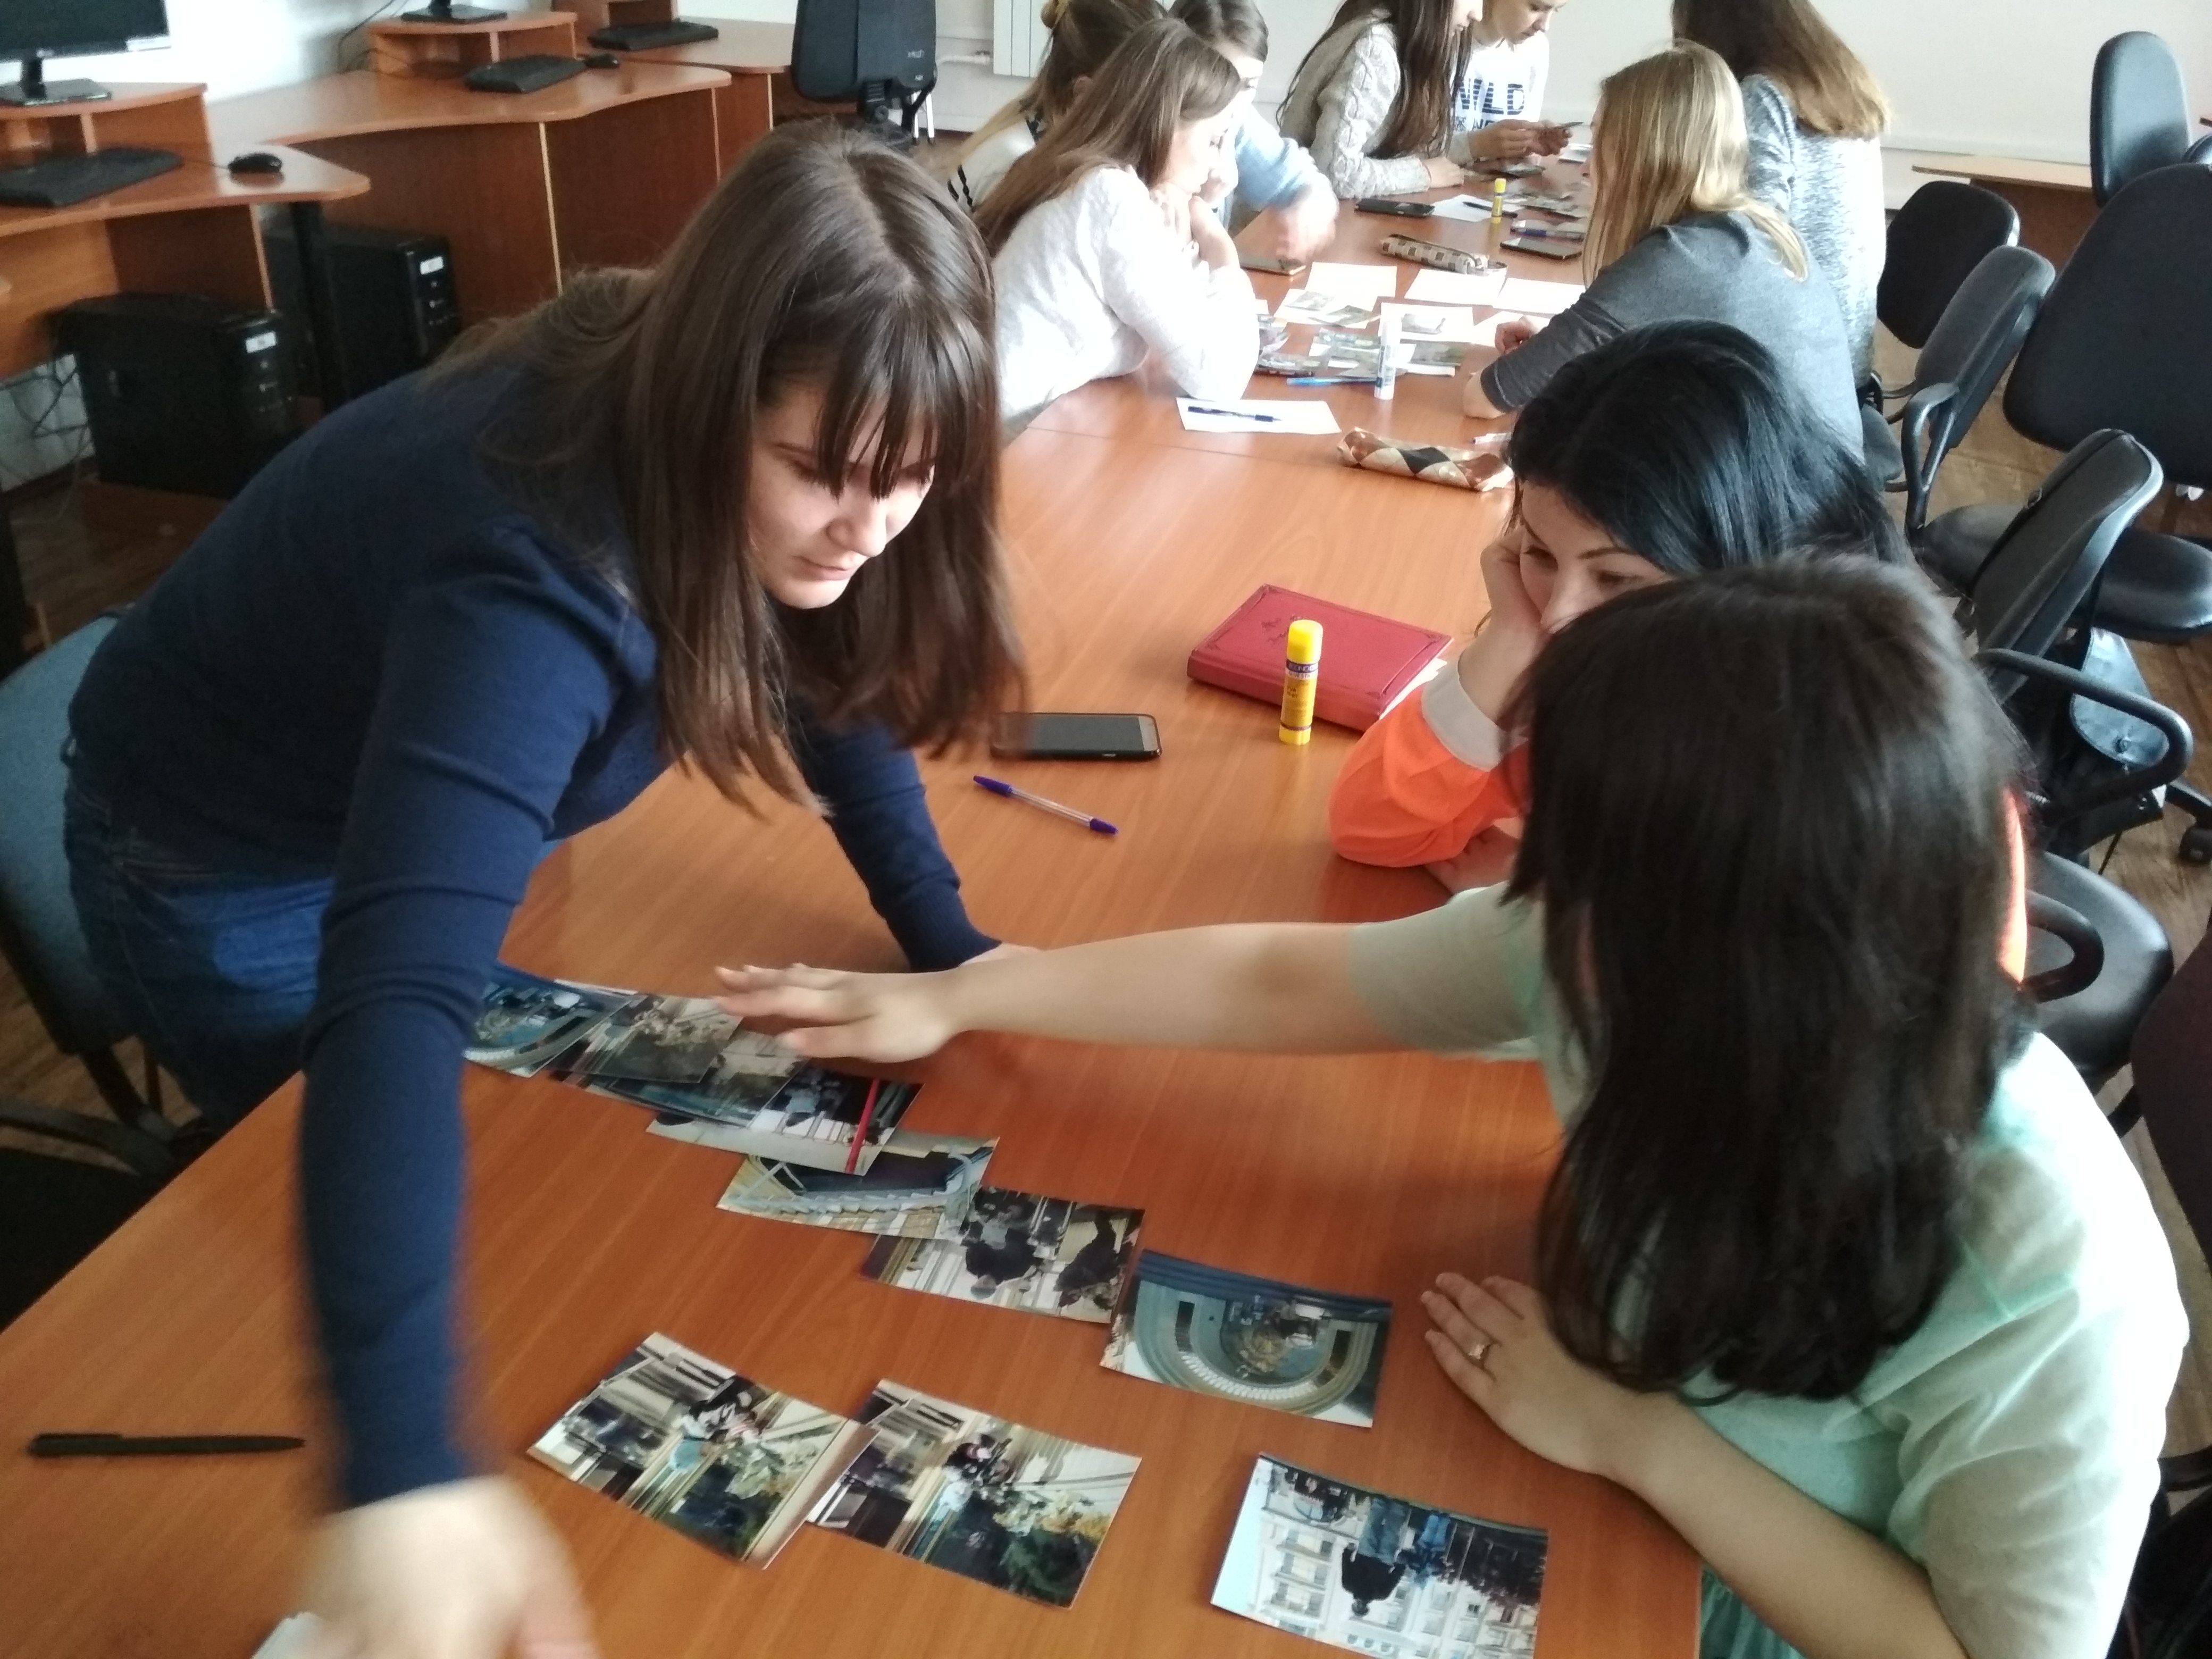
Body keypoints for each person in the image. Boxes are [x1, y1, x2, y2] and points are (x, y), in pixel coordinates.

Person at [718, 559, 2186, 1659]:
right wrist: (976, 989)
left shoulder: (2056, 1275)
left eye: (1588, 867)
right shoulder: (1613, 951)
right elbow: (1284, 985)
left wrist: (1639, 1441)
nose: (1540, 896)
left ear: (1748, 957)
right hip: (1557, 1466)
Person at [64, 124, 1022, 1657]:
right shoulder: (536, 571)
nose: (873, 525)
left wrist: (951, 946)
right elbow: (389, 1002)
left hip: (368, 780)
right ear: (714, 404)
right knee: (359, 1245)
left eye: (912, 479)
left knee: (545, 1226)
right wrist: (401, 1469)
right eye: (821, 475)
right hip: (219, 853)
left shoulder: (726, 417)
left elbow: (827, 654)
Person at [1333, 321, 1903, 891]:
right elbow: (1368, 828)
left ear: (1731, 567)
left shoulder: (1820, 738)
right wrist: (1507, 642)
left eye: (1616, 577)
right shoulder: (1604, 660)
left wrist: (1551, 903)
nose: (1557, 615)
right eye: (1540, 552)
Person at [1463, 43, 1862, 455]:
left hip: (1782, 491)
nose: (1586, 167)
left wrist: (1550, 360)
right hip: (1826, 479)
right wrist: (1568, 354)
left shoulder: (1675, 259)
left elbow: (1485, 398)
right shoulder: (1761, 230)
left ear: (1640, 154)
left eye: (1600, 141)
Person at [979, 18, 1259, 429]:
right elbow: (1219, 376)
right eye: (1214, 140)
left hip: (1023, 429)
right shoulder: (1112, 200)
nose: (1218, 164)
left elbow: (1181, 326)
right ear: (1165, 127)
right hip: (1005, 445)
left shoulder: (1095, 181)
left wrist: (1179, 245)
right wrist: (1223, 254)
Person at [1672, 0, 1889, 379]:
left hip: (1792, 372)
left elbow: (1754, 242)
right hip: (1843, 354)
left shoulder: (1763, 94)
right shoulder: (1840, 87)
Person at [1278, 0, 1570, 201]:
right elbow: (1333, 172)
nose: (1477, 14)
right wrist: (1423, 174)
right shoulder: (1375, 49)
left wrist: (1472, 146)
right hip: (1292, 222)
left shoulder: (1403, 40)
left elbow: (1397, 152)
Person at [1169, 0, 1341, 263]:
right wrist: (1202, 204)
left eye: (1248, 86)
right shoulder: (1149, 132)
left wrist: (1308, 211)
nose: (1233, 102)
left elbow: (1304, 181)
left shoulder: (1238, 123)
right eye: (1222, 80)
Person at [946, 0, 1160, 212]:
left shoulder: (1052, 130)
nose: (1157, 116)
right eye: (1145, 100)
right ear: (1083, 93)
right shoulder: (1022, 166)